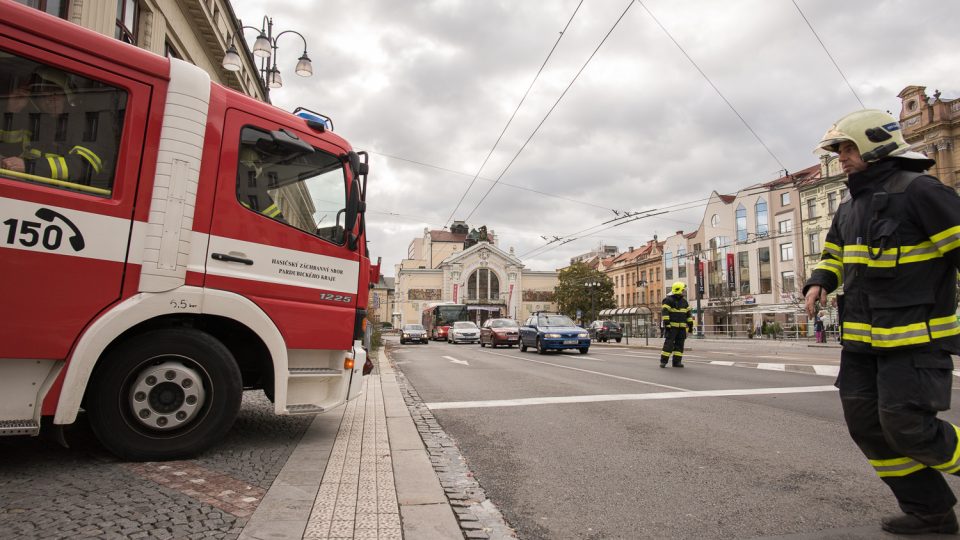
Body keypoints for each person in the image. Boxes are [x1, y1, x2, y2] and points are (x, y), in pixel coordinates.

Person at [803, 109, 960, 535]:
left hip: (915, 341)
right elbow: (833, 255)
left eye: (849, 148)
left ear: (876, 143)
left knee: (908, 427)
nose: (843, 158)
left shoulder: (921, 190)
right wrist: (819, 282)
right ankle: (930, 511)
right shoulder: (851, 207)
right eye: (839, 150)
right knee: (868, 426)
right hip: (861, 344)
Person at [2, 67, 104, 186]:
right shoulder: (32, 121)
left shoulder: (87, 124)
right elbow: (7, 153)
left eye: (56, 92)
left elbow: (84, 166)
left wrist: (29, 166)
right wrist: (12, 112)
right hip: (25, 188)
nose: (50, 99)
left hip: (63, 198)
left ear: (68, 96)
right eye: (43, 94)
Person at [660, 281, 693, 368]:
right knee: (668, 345)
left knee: (679, 346)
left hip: (681, 328)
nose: (684, 291)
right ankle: (663, 361)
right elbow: (665, 313)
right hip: (672, 328)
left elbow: (688, 314)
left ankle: (677, 362)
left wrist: (690, 325)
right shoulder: (668, 300)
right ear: (678, 290)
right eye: (682, 290)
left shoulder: (684, 302)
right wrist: (667, 325)